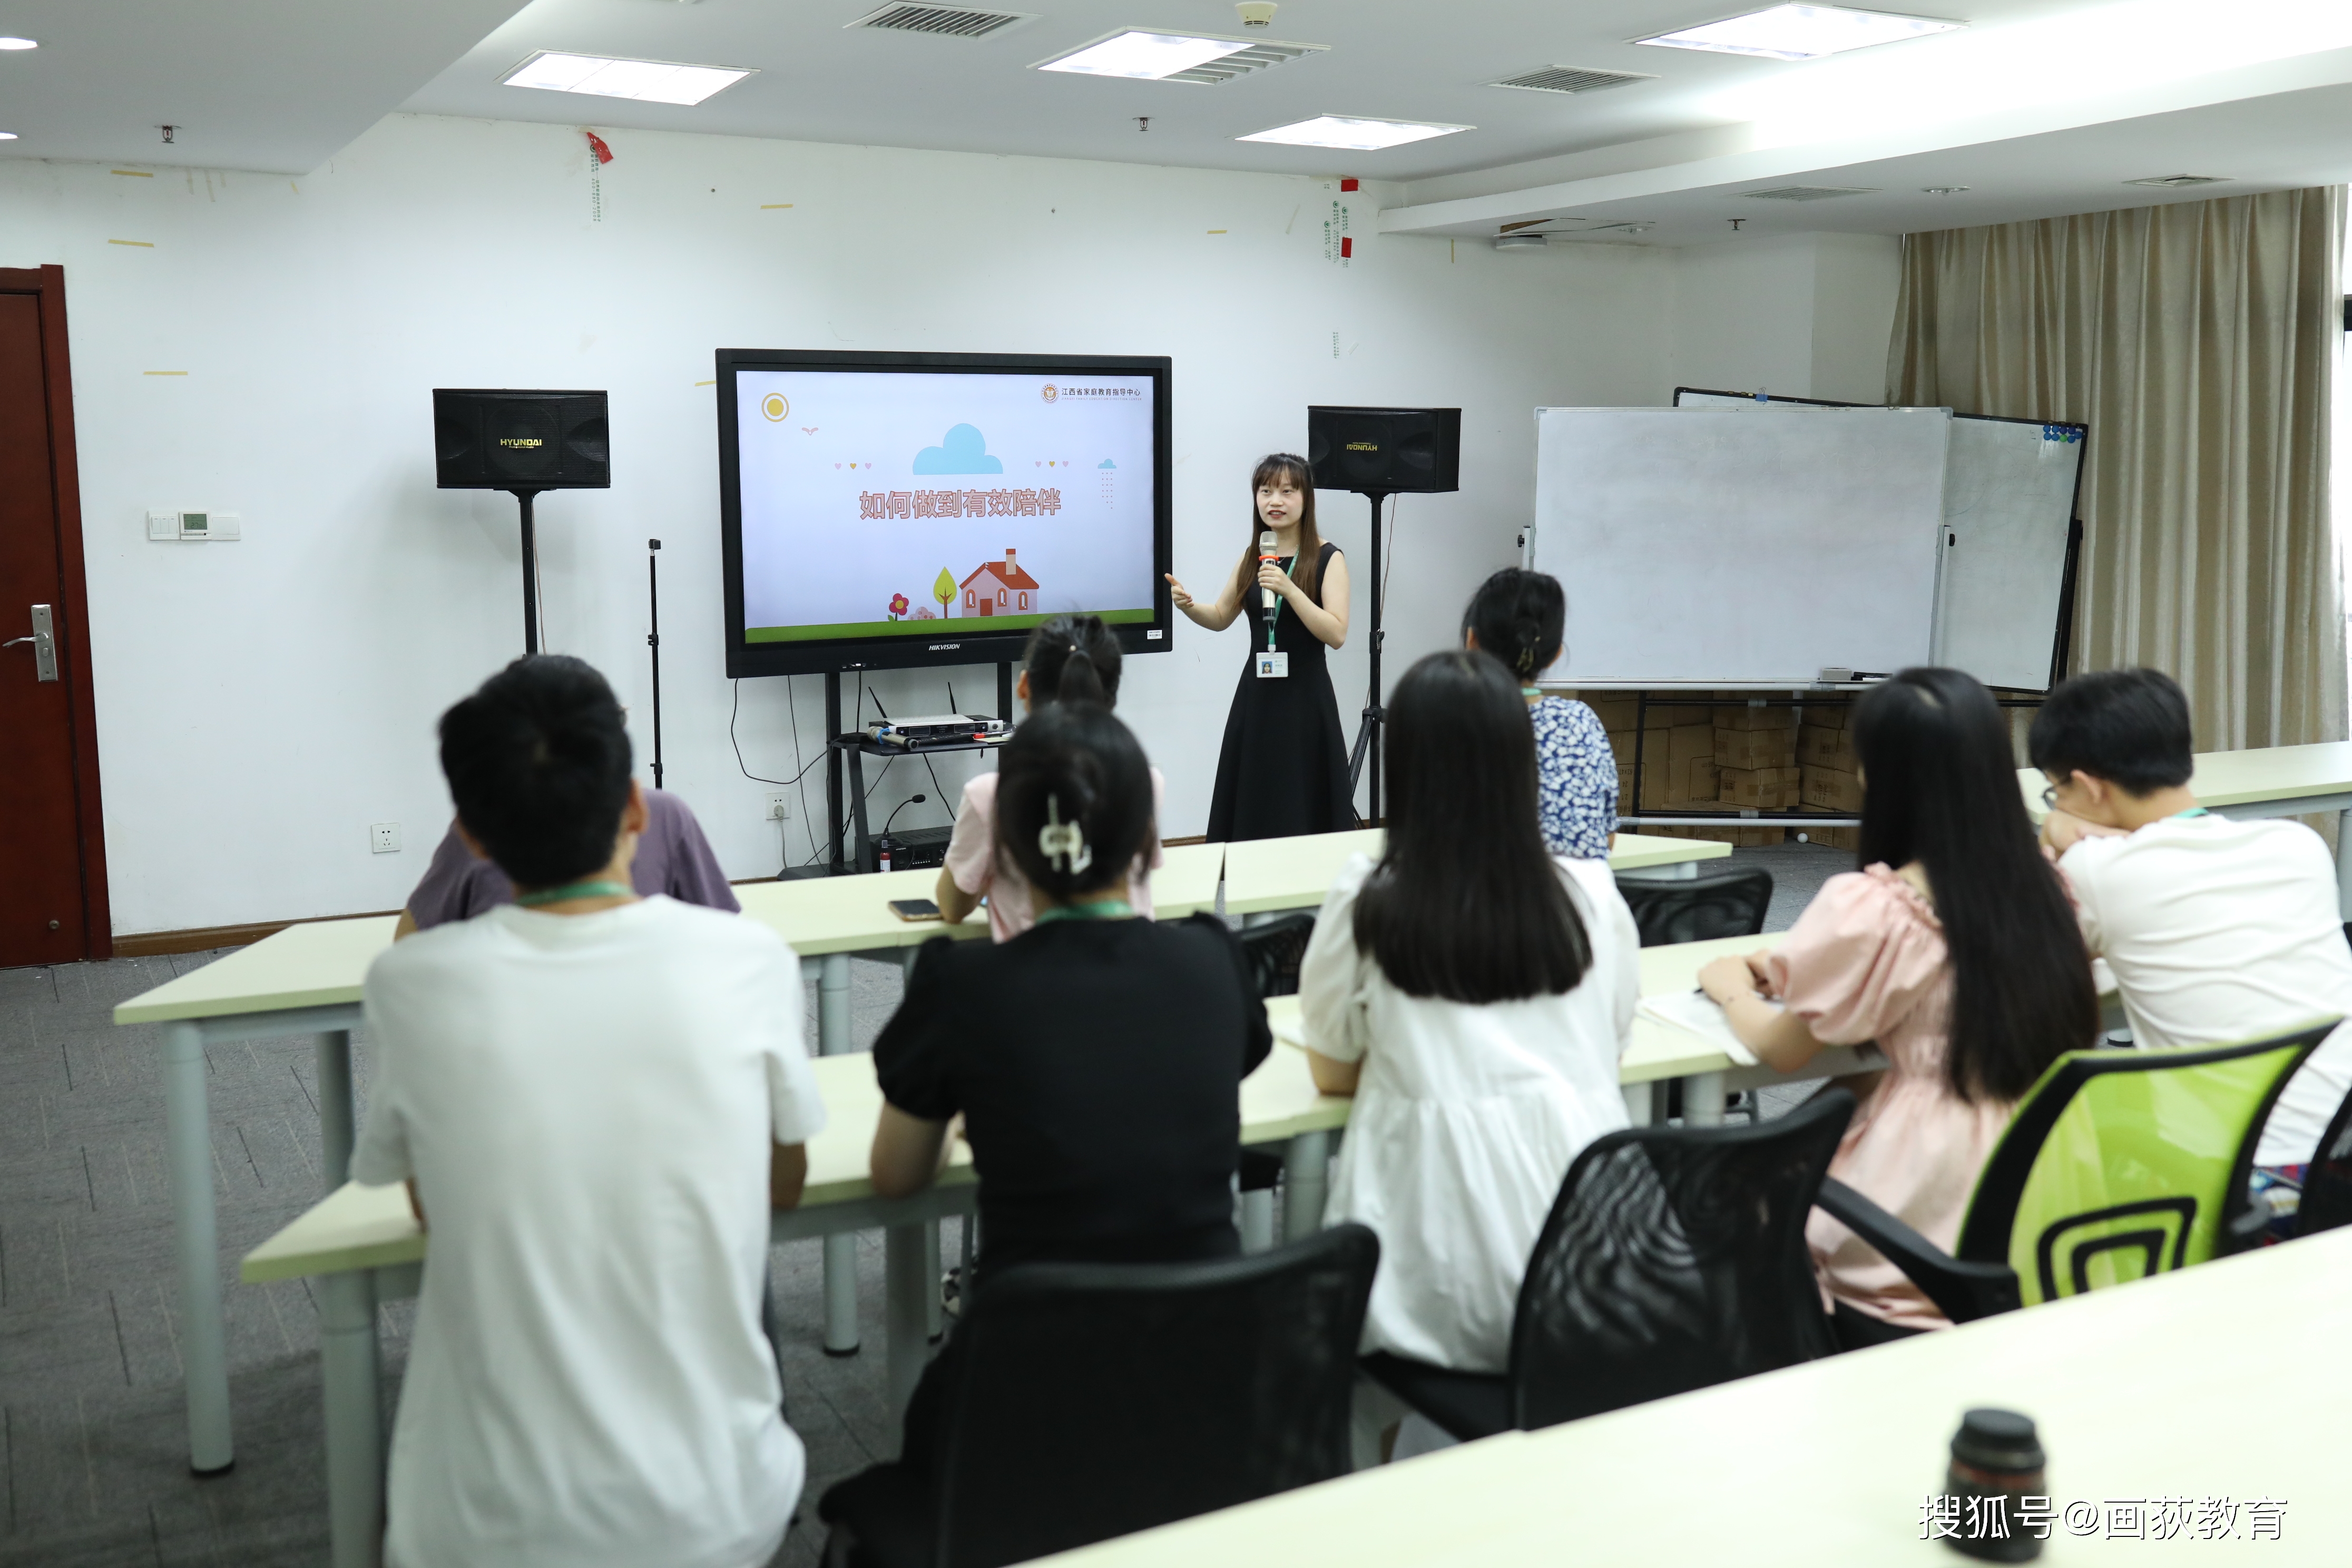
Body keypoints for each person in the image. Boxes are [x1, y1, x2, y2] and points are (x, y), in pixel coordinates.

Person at [351, 655, 826, 1568]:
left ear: (472, 838)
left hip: (480, 1521)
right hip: (720, 1507)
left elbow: (426, 1208)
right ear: (636, 809)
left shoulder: (410, 987)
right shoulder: (751, 962)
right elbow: (786, 1185)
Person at [820, 701, 1270, 1526]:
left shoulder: (961, 991)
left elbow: (894, 1177)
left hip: (1022, 1406)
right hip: (1206, 1393)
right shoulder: (1214, 962)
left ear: (1008, 853)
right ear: (1147, 846)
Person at [1698, 667, 2097, 1347]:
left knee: (1738, 1198)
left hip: (1928, 1186)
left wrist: (1729, 983)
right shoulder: (2048, 887)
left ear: (1882, 777)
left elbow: (1782, 1049)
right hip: (2056, 1178)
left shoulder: (1879, 908)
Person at [1298, 650, 1641, 1382]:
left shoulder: (1371, 895)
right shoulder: (1591, 894)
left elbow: (1329, 1070)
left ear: (1408, 769)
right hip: (1601, 1250)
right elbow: (1606, 1052)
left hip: (1434, 1249)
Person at [2032, 667, 2352, 1232]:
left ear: (2090, 787)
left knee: (2052, 1149)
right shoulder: (2297, 844)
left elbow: (2018, 959)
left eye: (2057, 791)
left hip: (2253, 1185)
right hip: (2339, 1152)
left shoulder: (2099, 872)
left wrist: (2052, 841)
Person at [936, 613, 1166, 940]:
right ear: (1110, 695)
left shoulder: (989, 795)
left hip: (1027, 981)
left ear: (1025, 686)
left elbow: (953, 907)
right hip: (1135, 971)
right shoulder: (1147, 781)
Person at [1168, 453, 1354, 840]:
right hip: (1258, 696)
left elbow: (1336, 634)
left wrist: (1290, 590)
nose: (1275, 501)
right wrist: (1189, 607)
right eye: (1266, 491)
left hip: (1306, 698)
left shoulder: (1328, 557)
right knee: (1256, 793)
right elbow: (1220, 616)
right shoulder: (1253, 557)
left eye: (1288, 491)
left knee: (1302, 796)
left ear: (1306, 499)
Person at [395, 785, 738, 936]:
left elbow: (409, 943)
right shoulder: (761, 960)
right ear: (635, 811)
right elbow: (727, 936)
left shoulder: (412, 985)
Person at [1461, 567, 1616, 858]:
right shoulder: (1582, 721)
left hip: (1483, 900)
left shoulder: (1451, 722)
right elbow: (1607, 838)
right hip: (1578, 900)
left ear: (1472, 642)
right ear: (1556, 651)